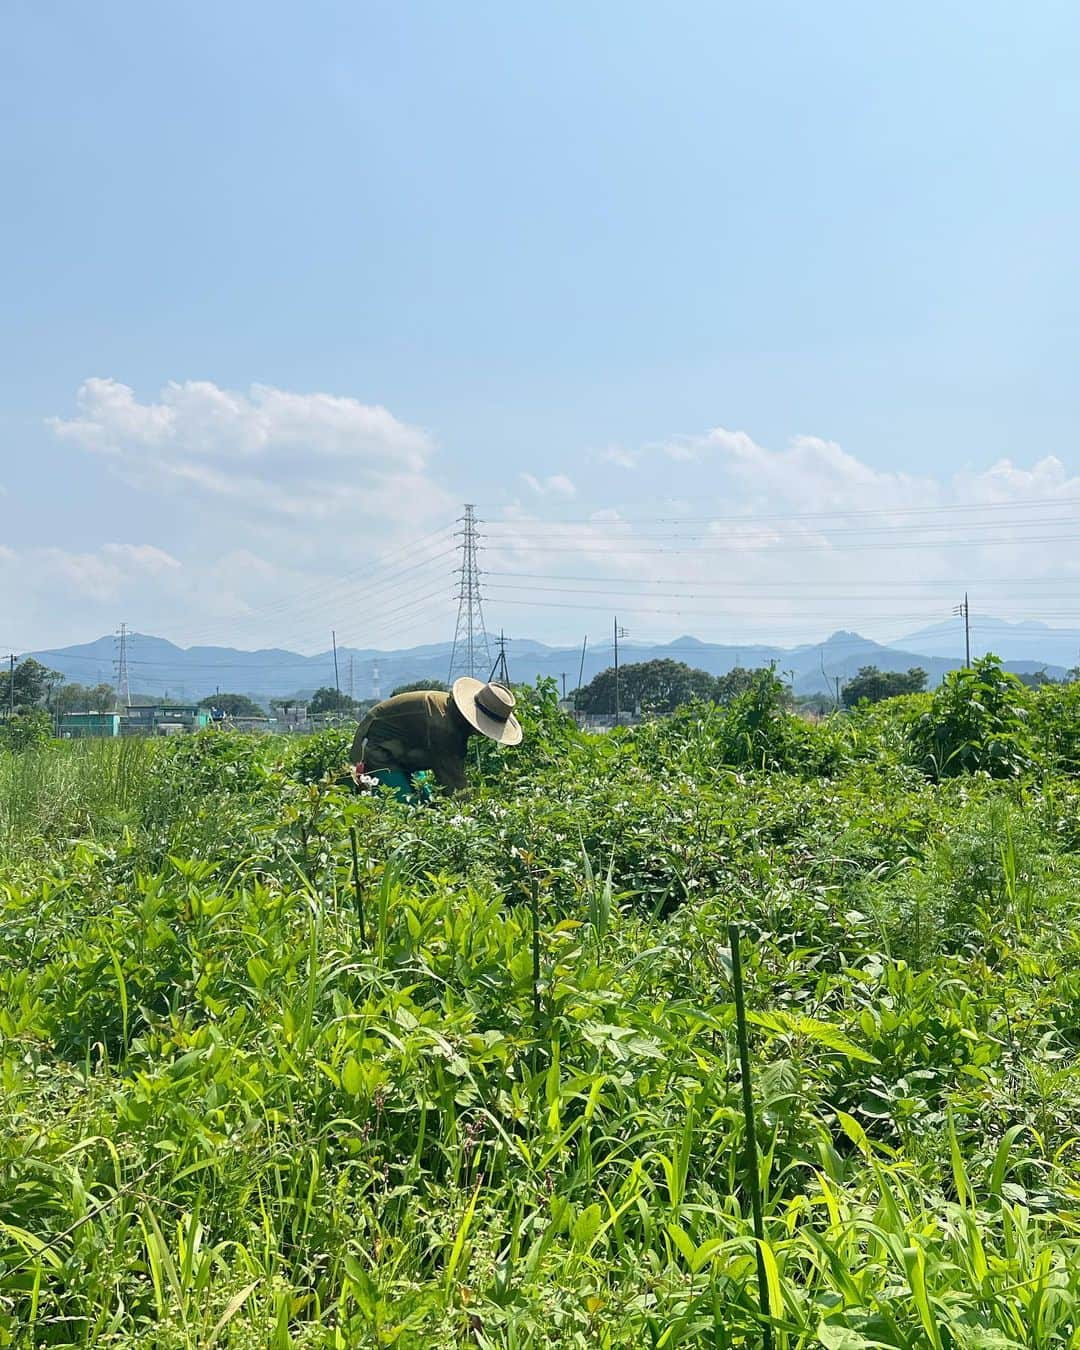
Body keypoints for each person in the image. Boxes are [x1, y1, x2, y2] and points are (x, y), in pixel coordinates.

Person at [350, 678, 522, 800]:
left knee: (425, 801)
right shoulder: (444, 728)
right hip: (380, 748)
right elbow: (453, 783)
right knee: (405, 808)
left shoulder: (452, 712)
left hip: (409, 749)